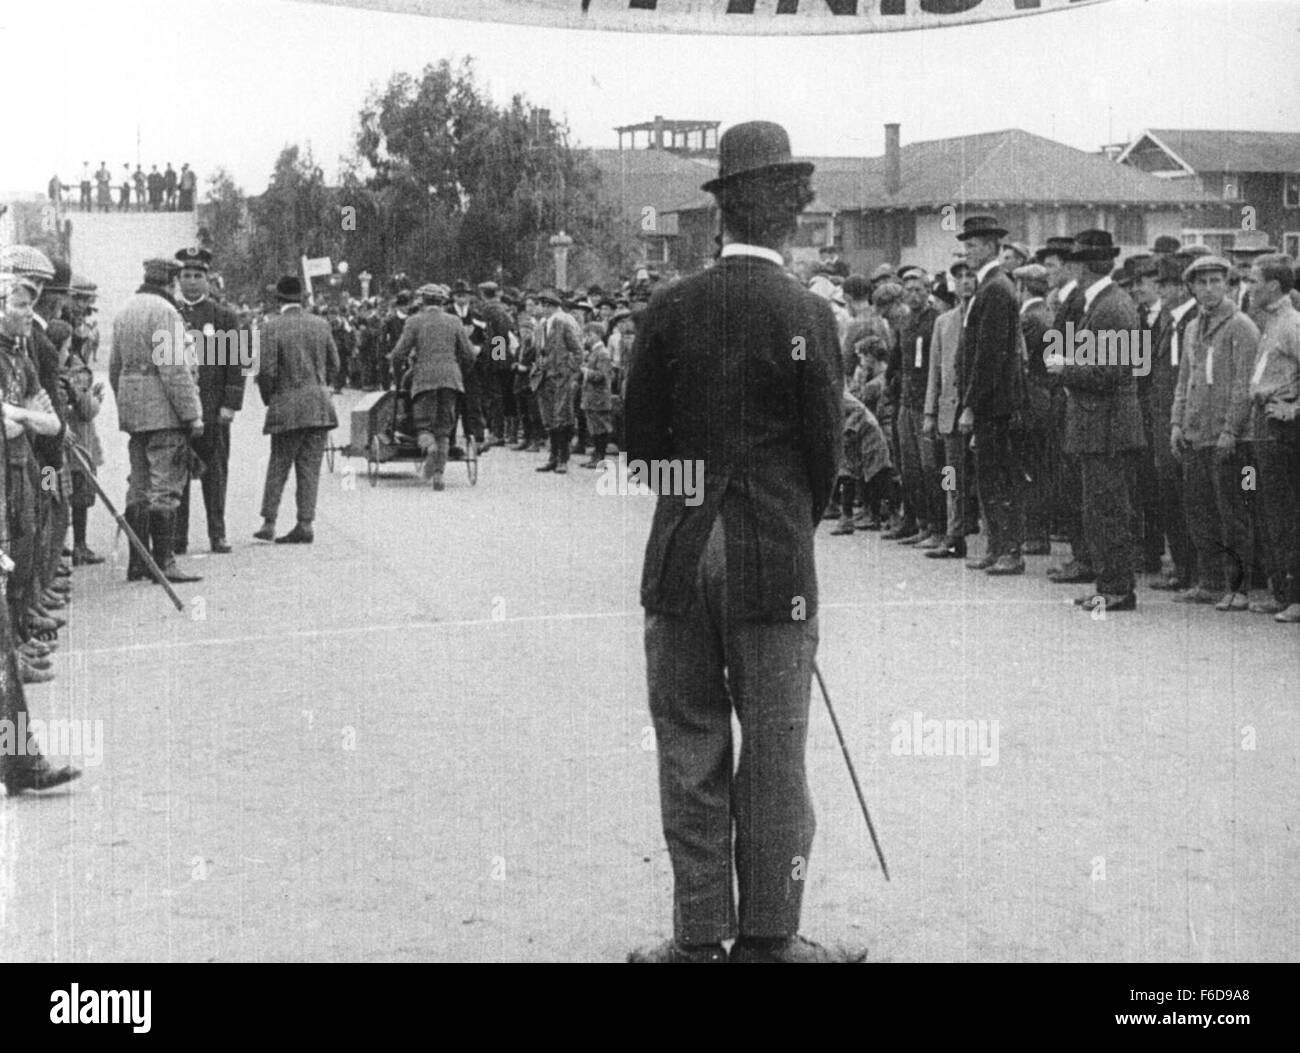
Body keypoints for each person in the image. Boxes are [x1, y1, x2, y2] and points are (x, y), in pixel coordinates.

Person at [623, 120, 857, 964]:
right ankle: (770, 935)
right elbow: (825, 452)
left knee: (689, 741)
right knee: (775, 751)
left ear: (721, 213)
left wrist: (695, 498)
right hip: (773, 559)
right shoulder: (808, 314)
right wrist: (788, 523)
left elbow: (641, 443)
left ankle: (695, 936)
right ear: (790, 217)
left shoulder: (668, 308)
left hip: (682, 551)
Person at [1045, 230, 1146, 612]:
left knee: (1109, 509)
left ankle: (1118, 587)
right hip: (1100, 425)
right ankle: (1111, 584)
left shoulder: (1111, 307)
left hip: (1108, 427)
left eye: (1071, 262)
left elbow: (1113, 372)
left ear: (1082, 266)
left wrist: (1064, 368)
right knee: (1101, 508)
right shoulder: (1102, 303)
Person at [1169, 255, 1261, 610]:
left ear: (1228, 285)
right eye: (1201, 282)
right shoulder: (1193, 327)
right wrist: (1176, 422)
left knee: (1233, 512)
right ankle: (1209, 581)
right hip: (1195, 434)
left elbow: (1243, 385)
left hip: (1226, 439)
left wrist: (1230, 430)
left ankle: (1238, 588)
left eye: (1215, 282)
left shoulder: (1241, 327)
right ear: (1191, 287)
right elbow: (1185, 380)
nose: (1208, 289)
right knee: (1199, 511)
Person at [109, 258, 204, 584]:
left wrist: (130, 402)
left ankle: (138, 562)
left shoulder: (125, 311)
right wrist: (192, 416)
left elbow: (114, 367)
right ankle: (164, 562)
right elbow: (175, 369)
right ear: (171, 281)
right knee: (165, 488)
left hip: (135, 415)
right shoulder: (165, 313)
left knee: (139, 486)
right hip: (164, 414)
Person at [956, 214, 1026, 576]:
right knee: (988, 476)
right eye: (965, 245)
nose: (967, 252)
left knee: (998, 476)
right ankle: (997, 546)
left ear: (989, 247)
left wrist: (971, 404)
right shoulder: (989, 287)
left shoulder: (996, 289)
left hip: (994, 404)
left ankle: (1009, 550)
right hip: (991, 402)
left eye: (972, 245)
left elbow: (990, 354)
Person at [253, 276, 339, 543]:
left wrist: (271, 399)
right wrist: (321, 385)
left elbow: (265, 371)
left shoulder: (271, 327)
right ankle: (305, 523)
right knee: (310, 467)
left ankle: (269, 522)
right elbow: (335, 363)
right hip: (319, 406)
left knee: (279, 464)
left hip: (286, 405)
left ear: (278, 299)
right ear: (302, 298)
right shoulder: (321, 324)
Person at [173, 247, 246, 554]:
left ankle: (218, 533)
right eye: (186, 275)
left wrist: (231, 404)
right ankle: (178, 538)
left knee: (215, 473)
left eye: (198, 276)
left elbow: (237, 362)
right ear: (178, 279)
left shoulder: (224, 316)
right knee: (178, 473)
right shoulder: (170, 314)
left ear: (208, 279)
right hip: (179, 411)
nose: (191, 282)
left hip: (214, 409)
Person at [1241, 253, 1300, 621]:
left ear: (1274, 286)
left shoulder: (1292, 324)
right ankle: (1282, 592)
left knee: (1289, 514)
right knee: (1272, 514)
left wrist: (1294, 410)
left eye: (1254, 279)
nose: (1249, 286)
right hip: (1265, 424)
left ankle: (1296, 597)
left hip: (1284, 429)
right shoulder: (1272, 322)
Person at [388, 284, 474, 490]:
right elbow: (471, 353)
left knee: (424, 425)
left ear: (423, 301)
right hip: (452, 377)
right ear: (444, 301)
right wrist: (462, 371)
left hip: (425, 378)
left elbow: (399, 353)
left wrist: (398, 375)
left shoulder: (415, 321)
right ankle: (438, 475)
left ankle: (430, 448)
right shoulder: (456, 320)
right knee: (444, 429)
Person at [532, 288, 582, 475]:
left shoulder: (563, 322)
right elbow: (538, 351)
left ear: (550, 306)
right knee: (549, 418)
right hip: (544, 377)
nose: (541, 308)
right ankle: (552, 456)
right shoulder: (540, 326)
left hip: (561, 376)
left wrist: (569, 370)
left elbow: (577, 351)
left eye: (544, 305)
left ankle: (563, 458)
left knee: (562, 417)